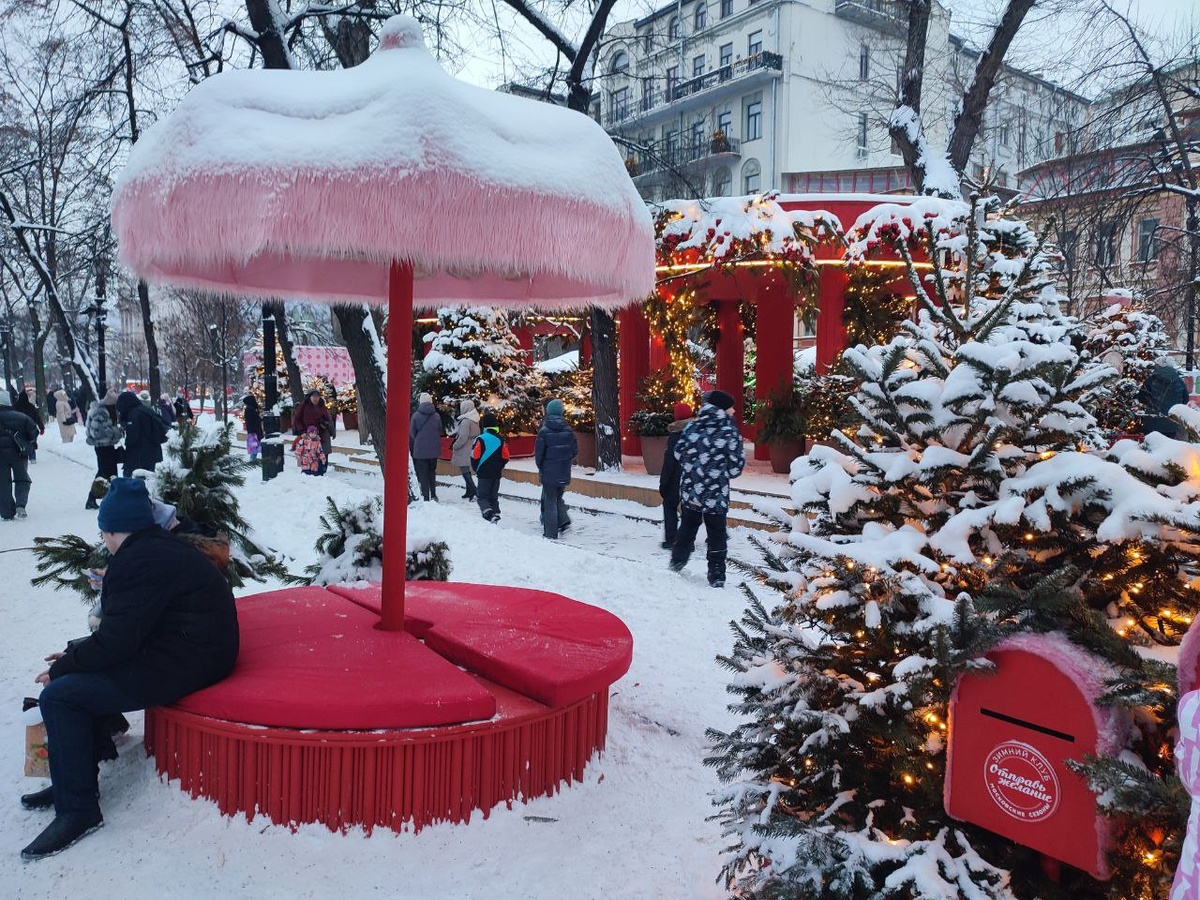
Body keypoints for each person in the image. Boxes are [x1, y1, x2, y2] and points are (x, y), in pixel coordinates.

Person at [19, 477, 239, 860]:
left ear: (112, 530)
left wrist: (65, 667)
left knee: (61, 696)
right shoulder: (154, 548)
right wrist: (74, 654)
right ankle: (71, 780)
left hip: (191, 661)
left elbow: (117, 642)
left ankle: (78, 812)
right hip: (193, 650)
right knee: (75, 678)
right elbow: (129, 629)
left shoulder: (139, 561)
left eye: (103, 532)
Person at [669, 389, 745, 588]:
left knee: (687, 525)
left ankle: (677, 561)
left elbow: (678, 453)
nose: (733, 411)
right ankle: (716, 574)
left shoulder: (692, 427)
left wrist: (694, 471)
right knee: (717, 533)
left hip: (691, 490)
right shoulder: (729, 432)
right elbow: (736, 468)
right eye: (731, 408)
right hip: (716, 494)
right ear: (722, 409)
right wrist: (718, 473)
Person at [535, 398, 577, 539]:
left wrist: (541, 467)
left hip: (549, 471)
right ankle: (564, 521)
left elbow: (539, 454)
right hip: (563, 470)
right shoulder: (569, 430)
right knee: (558, 497)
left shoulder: (544, 431)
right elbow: (574, 451)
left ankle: (550, 533)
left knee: (550, 502)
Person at [658, 402, 693, 550]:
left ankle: (672, 539)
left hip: (676, 478)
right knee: (689, 509)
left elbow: (670, 461)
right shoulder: (697, 432)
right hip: (693, 477)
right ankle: (688, 540)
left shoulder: (675, 435)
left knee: (670, 505)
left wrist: (663, 482)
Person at [0, 389, 39, 521]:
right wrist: (29, 442)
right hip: (19, 452)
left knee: (2, 483)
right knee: (22, 478)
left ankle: (6, 512)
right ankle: (20, 505)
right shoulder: (21, 417)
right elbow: (33, 432)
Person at [84, 389, 123, 510]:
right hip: (103, 447)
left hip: (105, 446)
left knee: (109, 472)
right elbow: (97, 432)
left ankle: (110, 498)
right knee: (104, 473)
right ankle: (92, 498)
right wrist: (116, 432)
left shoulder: (102, 411)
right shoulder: (100, 412)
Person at [116, 390, 169, 477]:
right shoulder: (146, 410)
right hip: (151, 452)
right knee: (147, 478)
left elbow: (133, 438)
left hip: (139, 455)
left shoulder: (134, 414)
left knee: (133, 478)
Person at [470, 411, 509, 522]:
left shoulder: (480, 439)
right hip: (496, 473)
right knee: (493, 496)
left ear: (484, 425)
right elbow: (506, 456)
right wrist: (500, 466)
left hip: (483, 472)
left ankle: (489, 514)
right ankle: (495, 513)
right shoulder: (500, 439)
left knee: (482, 496)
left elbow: (474, 455)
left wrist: (476, 468)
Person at [1138, 359, 1189, 439]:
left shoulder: (1151, 380)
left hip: (1152, 422)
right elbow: (1185, 399)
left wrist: (1151, 404)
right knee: (1168, 445)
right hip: (1172, 423)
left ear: (1159, 367)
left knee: (1152, 444)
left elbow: (1141, 397)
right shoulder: (1179, 381)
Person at [292, 389, 335, 475]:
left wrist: (324, 423)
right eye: (314, 396)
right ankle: (308, 470)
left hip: (322, 433)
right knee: (309, 452)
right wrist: (302, 431)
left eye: (317, 396)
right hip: (307, 434)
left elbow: (328, 419)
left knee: (323, 450)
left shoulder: (322, 406)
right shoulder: (303, 406)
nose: (316, 398)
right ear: (309, 397)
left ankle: (322, 469)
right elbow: (297, 420)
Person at [409, 392, 442, 501]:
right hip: (434, 450)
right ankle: (434, 494)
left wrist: (419, 440)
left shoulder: (416, 416)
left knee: (423, 474)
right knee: (432, 472)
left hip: (420, 451)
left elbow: (412, 432)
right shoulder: (436, 416)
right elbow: (440, 430)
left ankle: (426, 496)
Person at [450, 399, 481, 501]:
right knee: (467, 470)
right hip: (471, 447)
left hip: (464, 448)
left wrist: (455, 446)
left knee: (465, 472)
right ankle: (469, 492)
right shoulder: (475, 419)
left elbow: (462, 437)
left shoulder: (466, 421)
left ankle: (475, 492)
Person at [13, 387, 45, 464]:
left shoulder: (15, 407)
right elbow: (37, 418)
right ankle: (32, 457)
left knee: (20, 442)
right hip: (30, 427)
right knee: (31, 442)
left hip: (19, 428)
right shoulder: (31, 407)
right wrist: (41, 428)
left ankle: (22, 456)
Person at [242, 394, 264, 461]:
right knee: (256, 448)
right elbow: (255, 420)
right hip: (255, 432)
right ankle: (254, 461)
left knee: (254, 448)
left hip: (252, 432)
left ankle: (253, 461)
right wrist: (261, 418)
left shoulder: (248, 409)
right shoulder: (251, 409)